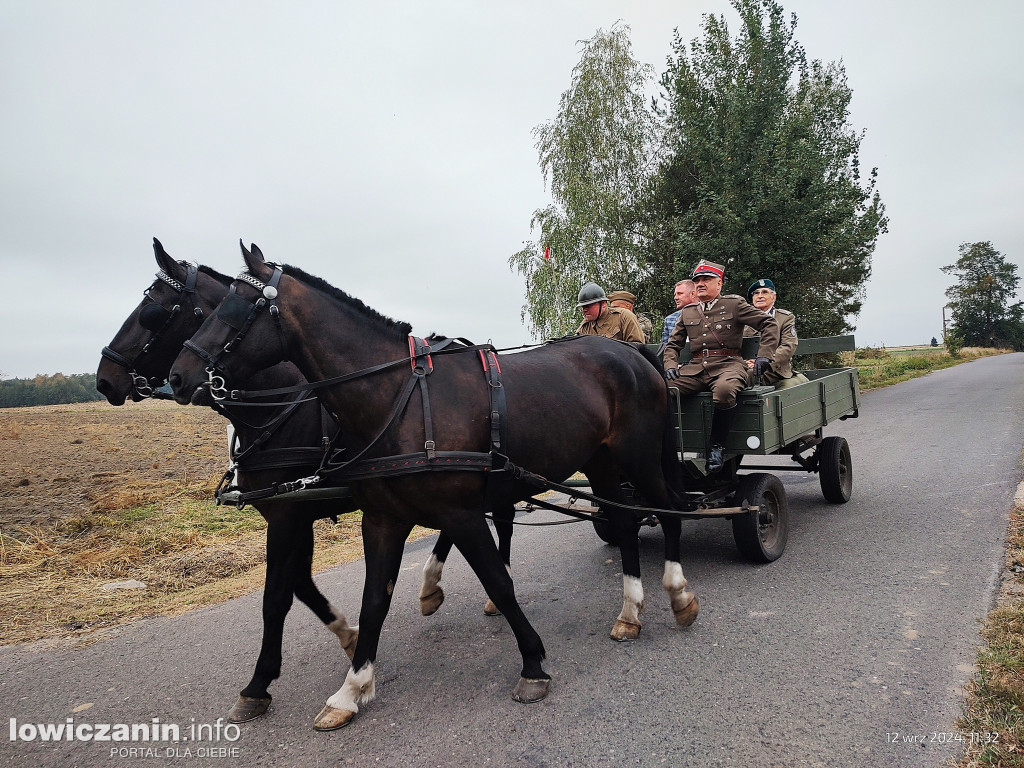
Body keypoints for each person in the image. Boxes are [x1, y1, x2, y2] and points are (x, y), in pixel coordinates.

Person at [663, 261, 780, 473]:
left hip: (729, 365)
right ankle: (666, 446)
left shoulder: (733, 305)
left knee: (725, 392)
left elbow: (769, 324)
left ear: (719, 284)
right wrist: (670, 364)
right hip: (696, 368)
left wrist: (764, 356)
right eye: (697, 280)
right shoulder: (688, 312)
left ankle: (716, 446)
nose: (700, 284)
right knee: (663, 389)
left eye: (706, 279)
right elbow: (672, 344)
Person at [743, 278, 808, 389]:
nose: (760, 296)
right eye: (756, 293)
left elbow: (788, 346)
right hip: (746, 365)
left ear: (774, 297)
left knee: (746, 376)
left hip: (775, 368)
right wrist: (744, 363)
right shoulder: (744, 319)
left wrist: (765, 360)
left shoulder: (784, 318)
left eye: (765, 292)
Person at [575, 282, 645, 342]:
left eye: (588, 306)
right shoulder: (585, 327)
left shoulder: (624, 317)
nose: (584, 310)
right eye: (583, 307)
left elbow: (637, 348)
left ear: (603, 304)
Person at [661, 279, 698, 346]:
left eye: (680, 294)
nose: (675, 298)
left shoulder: (708, 313)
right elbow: (664, 347)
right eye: (675, 294)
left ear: (693, 294)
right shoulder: (670, 319)